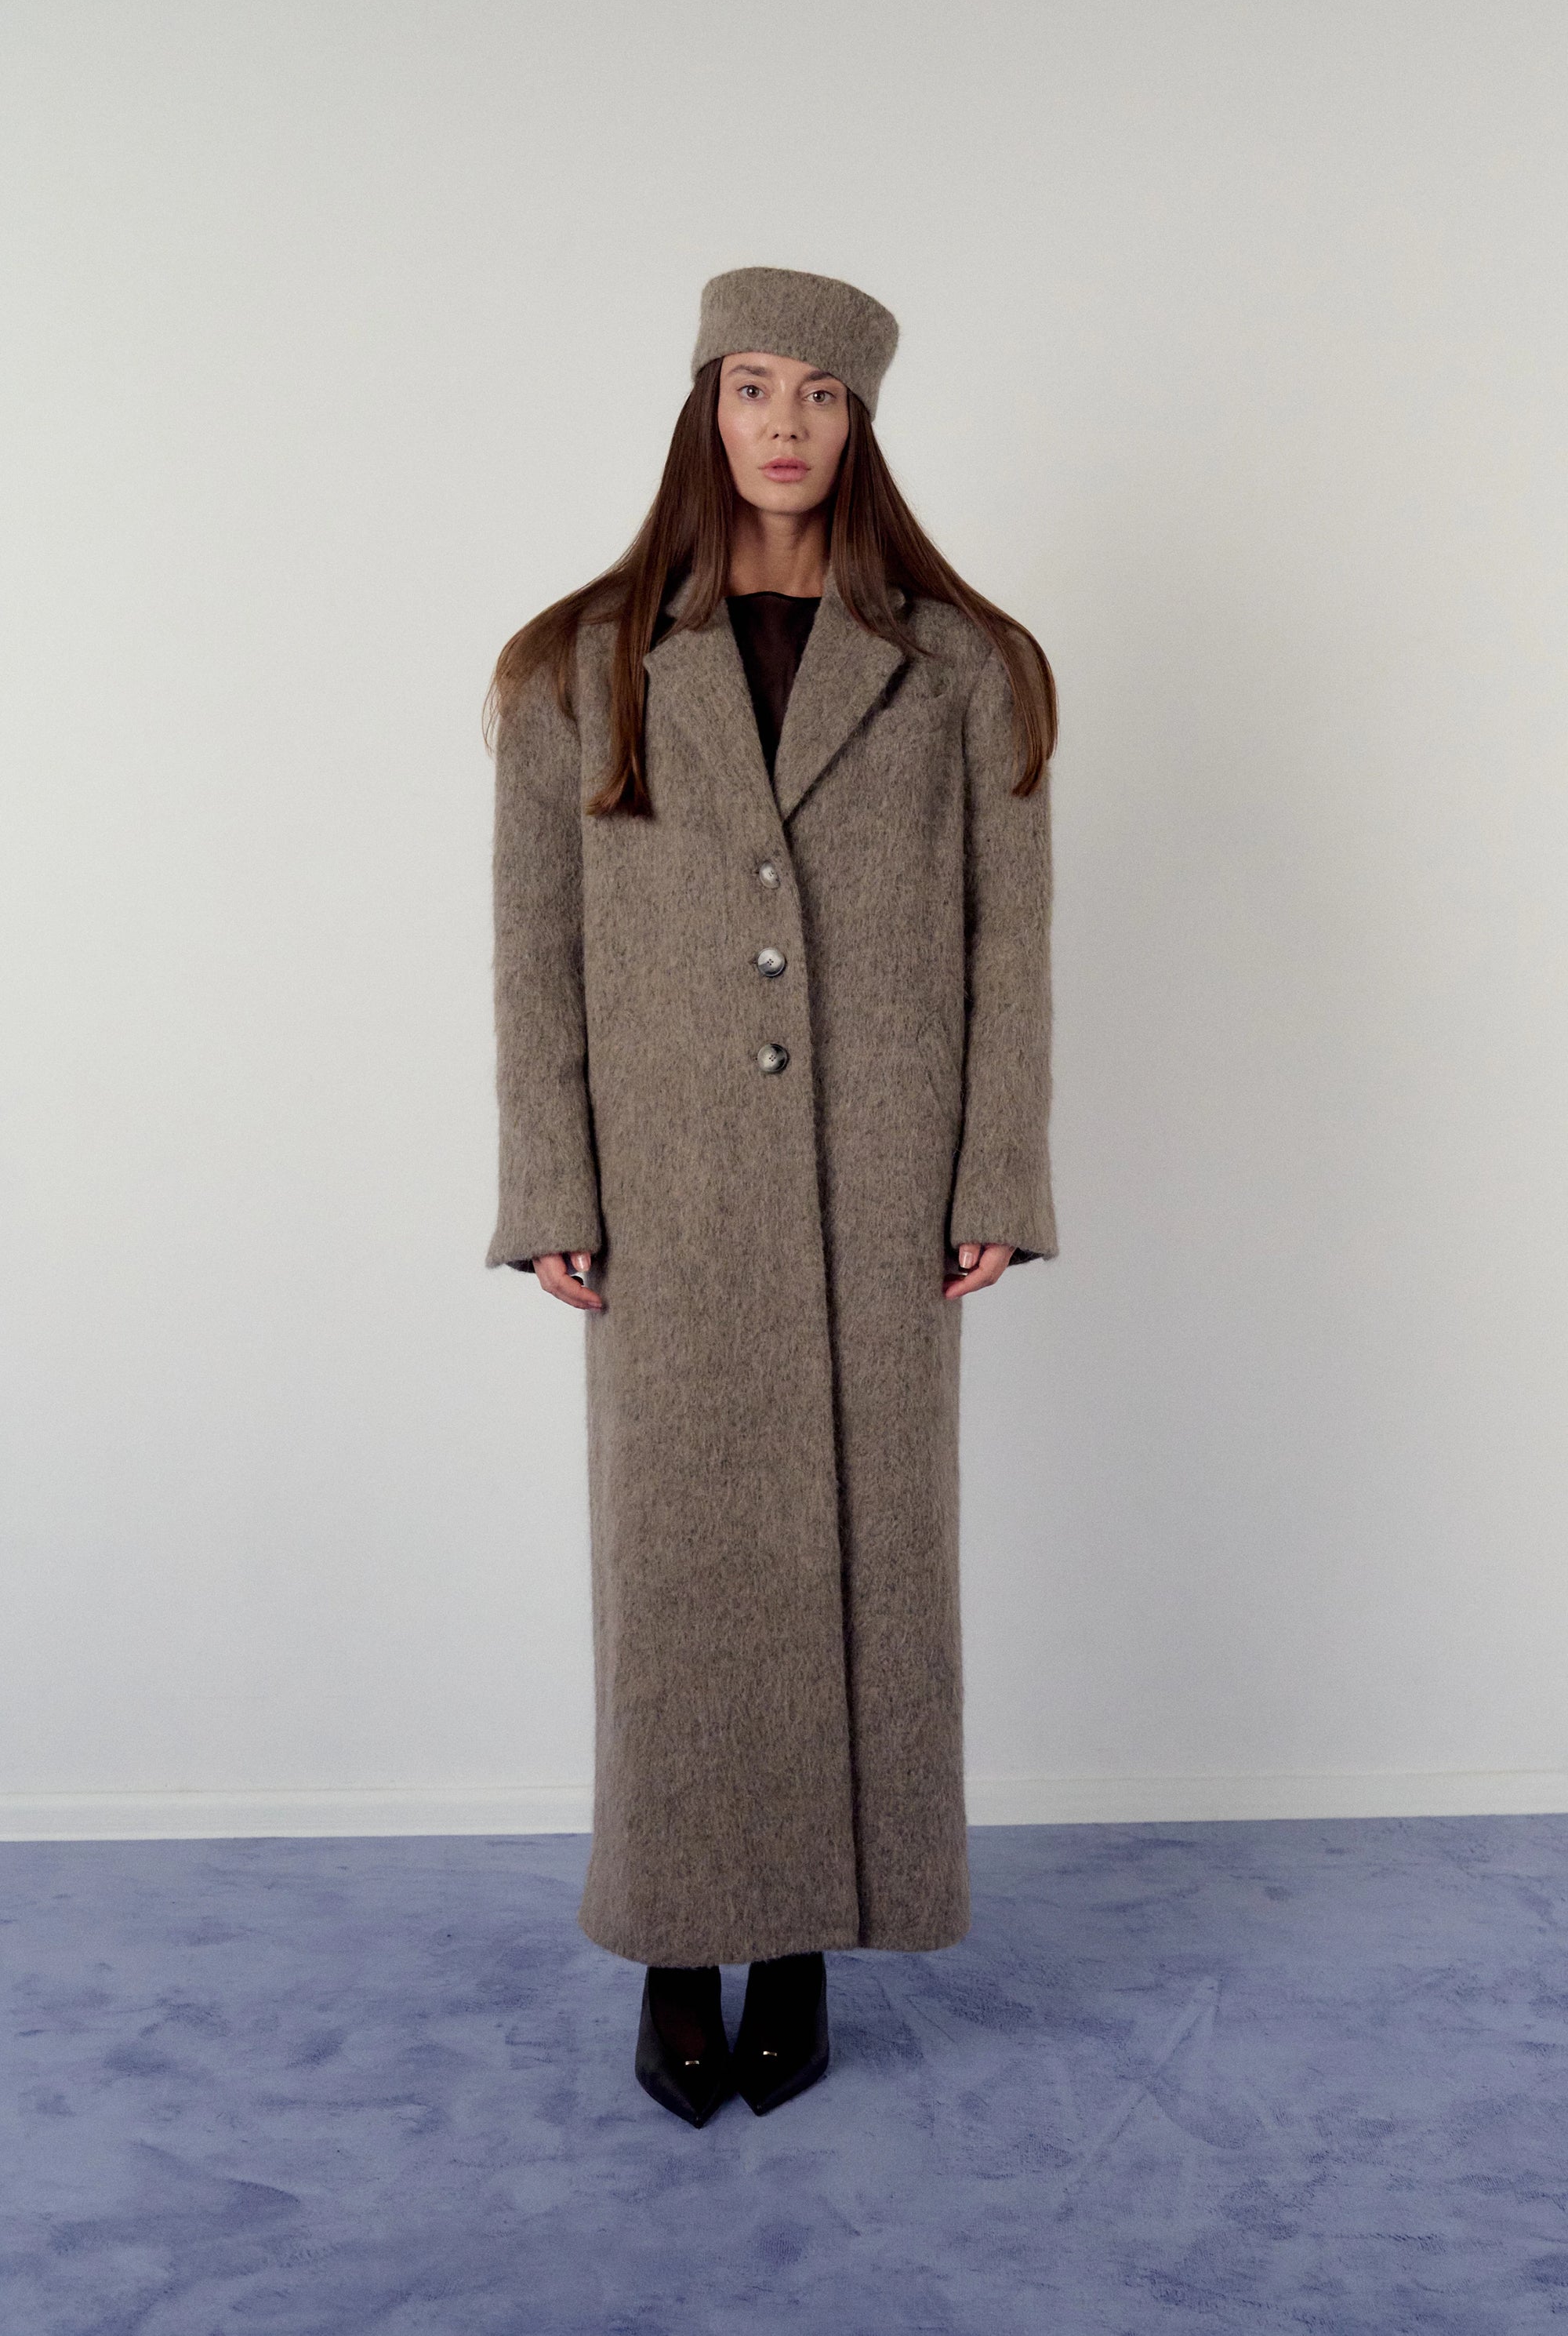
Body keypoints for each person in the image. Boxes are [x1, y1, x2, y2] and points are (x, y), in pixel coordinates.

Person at [484, 266, 1058, 2127]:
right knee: (677, 1583)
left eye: (819, 395)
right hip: (669, 1199)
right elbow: (536, 952)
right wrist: (550, 1179)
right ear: (705, 406)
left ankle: (805, 1939)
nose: (786, 426)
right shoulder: (578, 662)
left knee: (868, 1578)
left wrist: (995, 1169)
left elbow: (1009, 950)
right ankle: (673, 1944)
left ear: (861, 422)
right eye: (753, 387)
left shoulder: (966, 667)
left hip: (886, 1191)